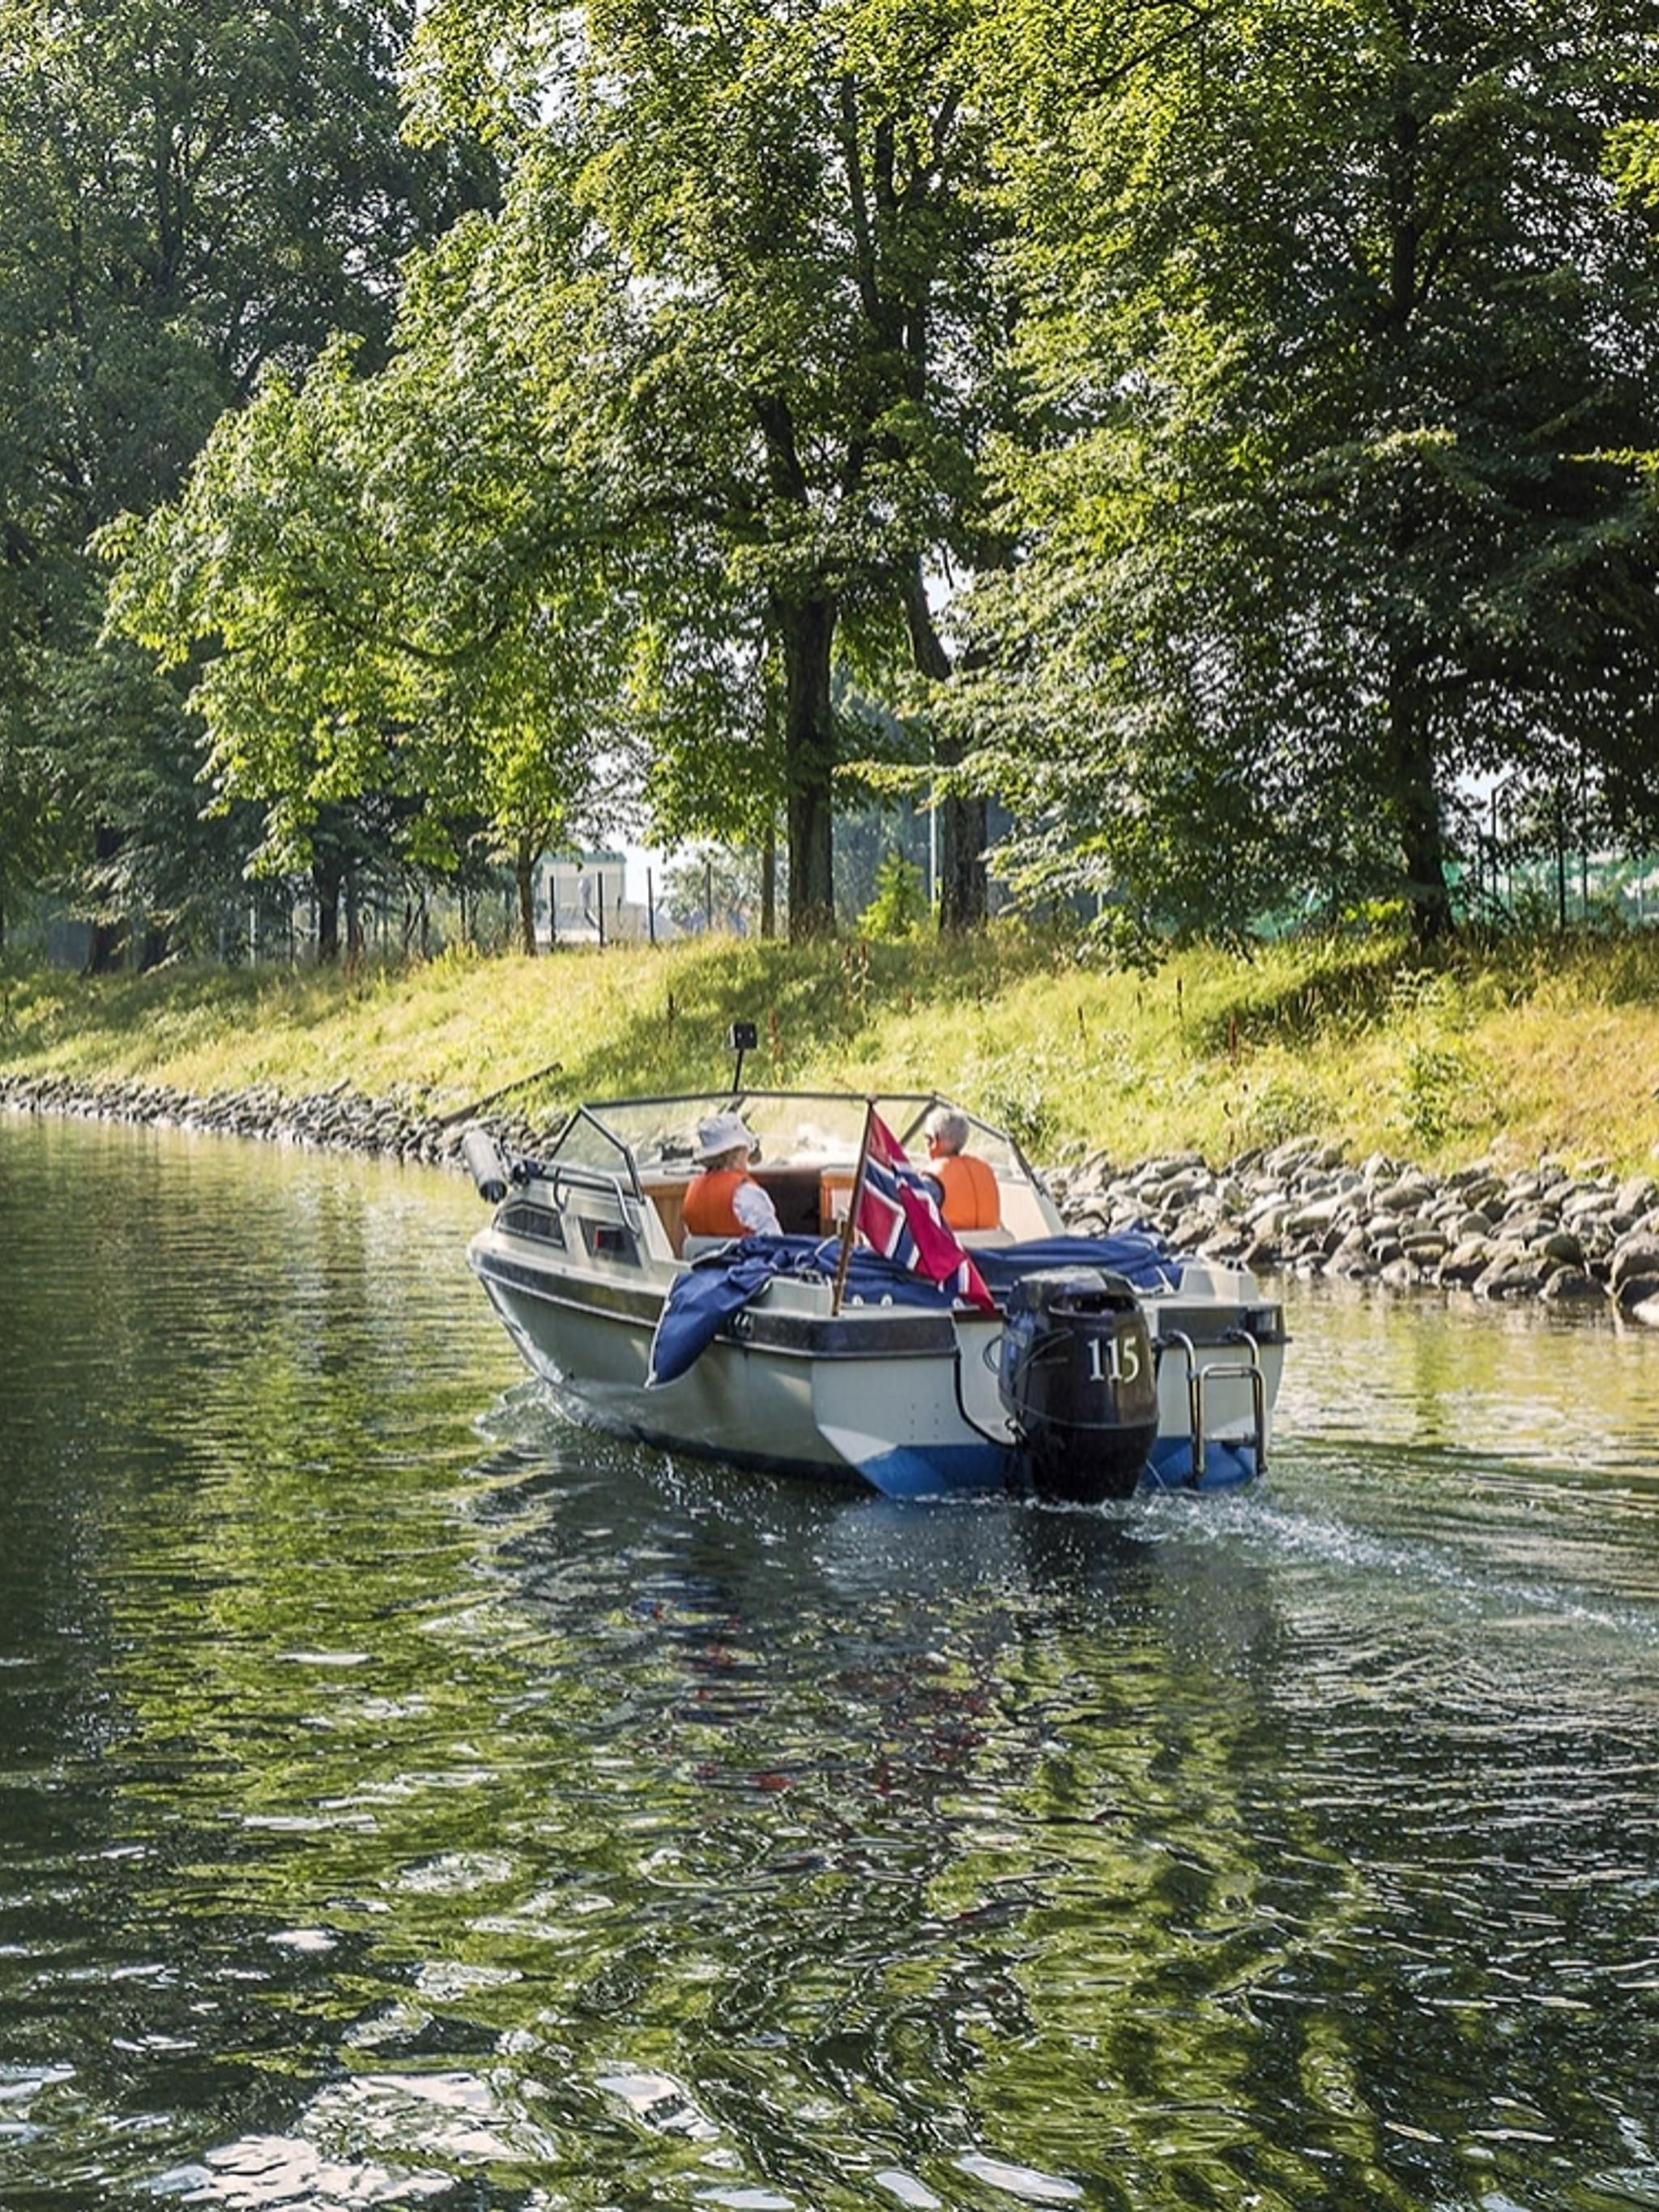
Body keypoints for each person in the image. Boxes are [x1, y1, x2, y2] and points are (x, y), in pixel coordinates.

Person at [681, 1110, 781, 1245]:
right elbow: (776, 1244)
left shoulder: (692, 1192)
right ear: (738, 1152)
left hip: (702, 1264)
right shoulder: (747, 1194)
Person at [923, 1105, 1001, 1232]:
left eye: (927, 1137)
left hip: (951, 1248)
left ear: (935, 1140)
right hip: (993, 1247)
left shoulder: (933, 1178)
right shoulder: (985, 1170)